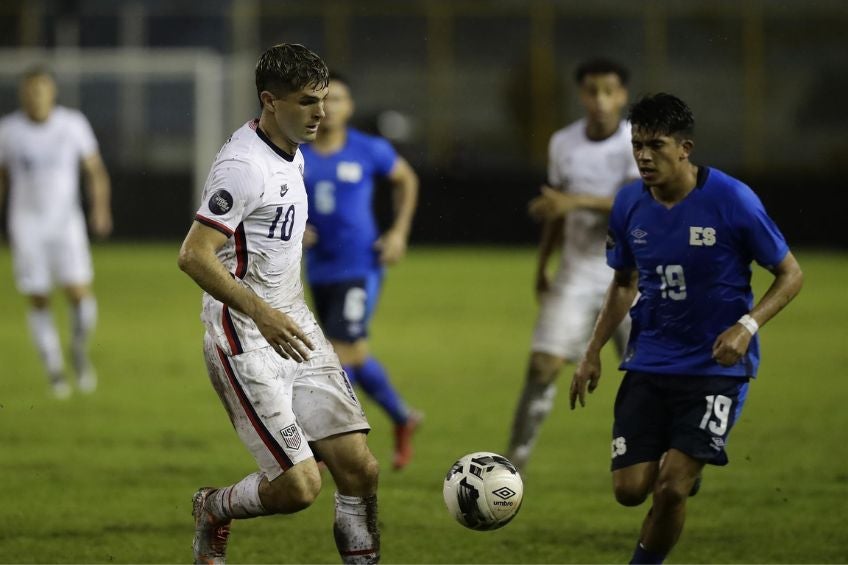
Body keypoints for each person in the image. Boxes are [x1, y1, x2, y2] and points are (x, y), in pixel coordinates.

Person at [570, 93, 803, 564]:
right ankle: (684, 465)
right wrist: (593, 350)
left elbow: (791, 274)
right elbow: (623, 282)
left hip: (715, 369)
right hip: (651, 362)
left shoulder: (732, 200)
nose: (643, 156)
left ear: (685, 148)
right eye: (637, 144)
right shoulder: (629, 204)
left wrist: (747, 326)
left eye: (655, 144)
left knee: (670, 489)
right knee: (629, 490)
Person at [178, 44, 380, 564]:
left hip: (294, 326)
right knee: (298, 488)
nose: (322, 113)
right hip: (245, 337)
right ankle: (214, 507)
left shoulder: (291, 146)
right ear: (270, 101)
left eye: (324, 99)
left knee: (360, 469)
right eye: (308, 102)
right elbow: (194, 256)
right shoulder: (243, 167)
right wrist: (261, 313)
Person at [506, 59, 638, 471]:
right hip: (577, 271)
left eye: (608, 91)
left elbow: (636, 204)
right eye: (591, 91)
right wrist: (543, 263)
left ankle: (671, 457)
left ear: (622, 96)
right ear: (581, 95)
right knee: (542, 365)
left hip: (634, 274)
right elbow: (556, 210)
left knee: (650, 374)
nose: (599, 100)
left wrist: (574, 201)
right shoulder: (563, 142)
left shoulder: (637, 141)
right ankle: (512, 467)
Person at [300, 73, 421, 470]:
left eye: (338, 99)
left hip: (361, 266)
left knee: (341, 353)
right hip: (319, 269)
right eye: (323, 99)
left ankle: (325, 442)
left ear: (349, 107)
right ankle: (403, 418)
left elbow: (407, 180)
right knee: (351, 352)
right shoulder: (296, 154)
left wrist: (399, 233)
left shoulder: (369, 149)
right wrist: (294, 228)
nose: (330, 107)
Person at [0, 66, 112, 399]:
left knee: (79, 294)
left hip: (66, 224)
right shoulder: (8, 131)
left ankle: (77, 351)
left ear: (52, 93)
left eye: (41, 90)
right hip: (26, 225)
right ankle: (53, 370)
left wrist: (100, 210)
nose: (36, 96)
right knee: (38, 297)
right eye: (30, 91)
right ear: (23, 94)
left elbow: (95, 171)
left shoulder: (72, 124)